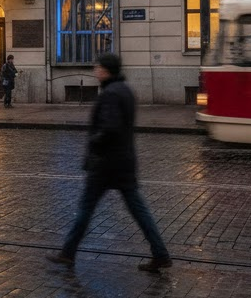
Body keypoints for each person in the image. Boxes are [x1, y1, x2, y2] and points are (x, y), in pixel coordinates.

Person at [46, 52, 171, 273]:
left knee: (85, 209)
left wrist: (94, 143)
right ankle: (160, 253)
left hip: (105, 165)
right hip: (124, 162)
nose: (95, 70)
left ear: (106, 70)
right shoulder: (125, 90)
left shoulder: (110, 93)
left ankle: (67, 253)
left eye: (98, 67)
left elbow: (110, 129)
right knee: (139, 211)